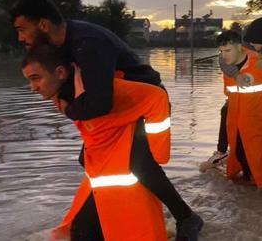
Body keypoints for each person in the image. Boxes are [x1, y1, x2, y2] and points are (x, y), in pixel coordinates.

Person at [10, 0, 203, 240]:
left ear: (44, 25)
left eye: (22, 29)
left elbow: (100, 102)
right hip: (117, 107)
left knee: (139, 162)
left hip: (142, 103)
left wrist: (68, 108)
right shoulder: (62, 44)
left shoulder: (87, 43)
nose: (21, 38)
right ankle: (106, 218)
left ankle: (186, 217)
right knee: (87, 158)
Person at [22, 43, 173, 241]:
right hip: (103, 174)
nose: (32, 88)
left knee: (86, 233)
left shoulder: (102, 89)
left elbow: (157, 98)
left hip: (127, 172)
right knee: (81, 233)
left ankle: (185, 216)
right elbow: (93, 127)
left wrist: (158, 151)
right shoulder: (61, 96)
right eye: (29, 81)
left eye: (36, 79)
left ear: (59, 72)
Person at [207, 18, 262, 175]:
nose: (253, 48)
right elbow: (224, 59)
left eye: (258, 45)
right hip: (247, 85)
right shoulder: (244, 43)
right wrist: (236, 74)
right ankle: (221, 151)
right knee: (226, 110)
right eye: (251, 44)